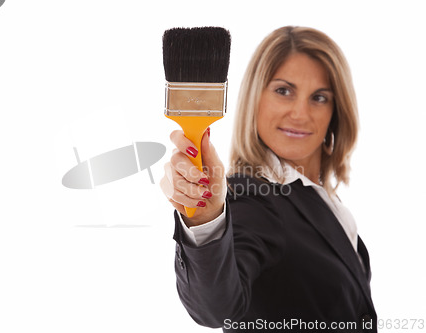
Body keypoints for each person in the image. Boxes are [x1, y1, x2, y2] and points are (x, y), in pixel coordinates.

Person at [160, 26, 377, 332]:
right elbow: (217, 308)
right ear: (254, 98)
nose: (300, 114)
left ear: (336, 111)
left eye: (319, 97)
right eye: (283, 91)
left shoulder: (324, 202)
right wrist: (207, 218)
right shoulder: (253, 198)